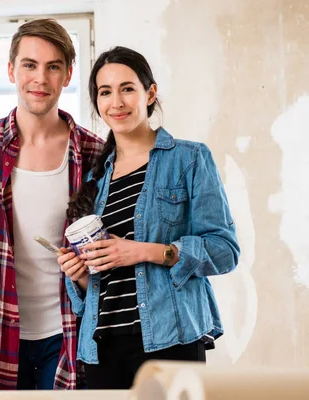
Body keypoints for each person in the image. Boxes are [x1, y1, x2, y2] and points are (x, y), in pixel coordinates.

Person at [0, 18, 105, 390]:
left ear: (68, 74)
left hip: (71, 336)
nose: (40, 78)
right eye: (29, 65)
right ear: (12, 70)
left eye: (53, 66)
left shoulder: (95, 154)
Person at [57, 46, 240, 390]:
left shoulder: (189, 158)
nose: (117, 102)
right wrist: (79, 275)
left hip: (171, 340)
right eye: (105, 92)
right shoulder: (94, 181)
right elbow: (97, 284)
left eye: (127, 88)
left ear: (150, 92)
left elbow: (224, 250)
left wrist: (143, 251)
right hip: (101, 348)